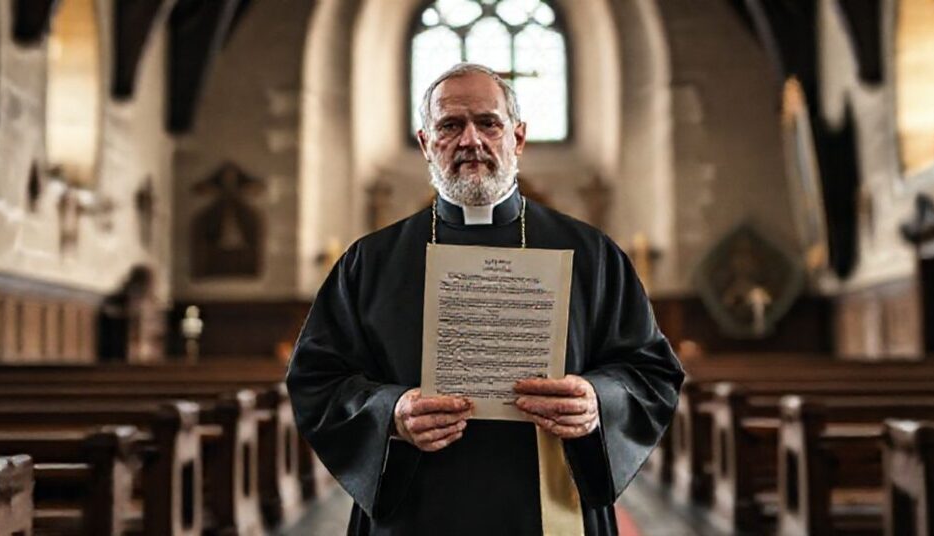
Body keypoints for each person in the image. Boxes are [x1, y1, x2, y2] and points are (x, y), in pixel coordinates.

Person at [286, 63, 684, 535]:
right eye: (450, 126)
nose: (470, 140)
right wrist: (391, 413)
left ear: (517, 137)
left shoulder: (592, 254)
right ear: (425, 143)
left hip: (551, 504)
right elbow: (316, 379)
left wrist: (598, 401)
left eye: (488, 123)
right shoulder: (370, 262)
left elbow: (651, 372)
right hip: (416, 508)